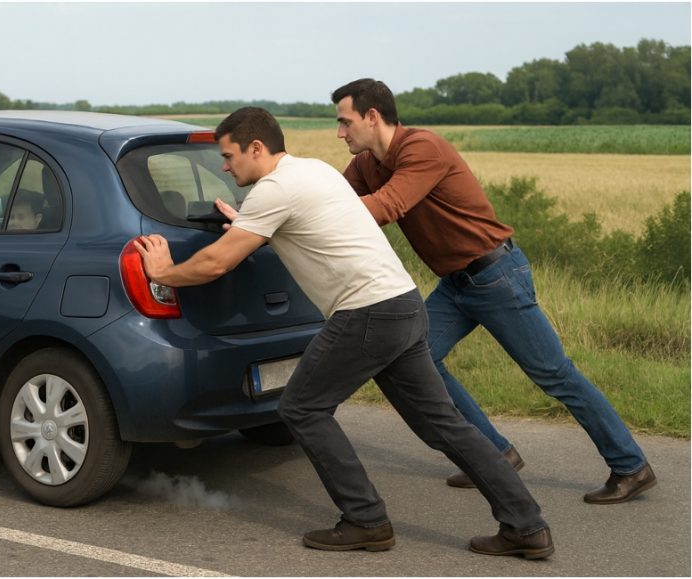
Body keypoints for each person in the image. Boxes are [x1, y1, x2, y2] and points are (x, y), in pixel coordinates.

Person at [134, 107, 553, 558]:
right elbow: (309, 226)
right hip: (404, 304)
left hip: (367, 312)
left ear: (257, 147)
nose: (225, 166)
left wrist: (165, 272)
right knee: (445, 424)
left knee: (301, 407)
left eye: (230, 155)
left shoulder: (273, 190)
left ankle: (365, 519)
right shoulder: (314, 171)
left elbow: (218, 262)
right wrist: (245, 223)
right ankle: (526, 525)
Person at [329, 78, 654, 503]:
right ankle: (493, 453)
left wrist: (318, 217)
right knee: (418, 357)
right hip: (456, 284)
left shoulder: (421, 148)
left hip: (495, 276)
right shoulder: (368, 163)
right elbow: (333, 198)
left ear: (372, 117)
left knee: (555, 374)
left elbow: (386, 206)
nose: (340, 133)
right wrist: (264, 213)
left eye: (344, 122)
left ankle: (631, 465)